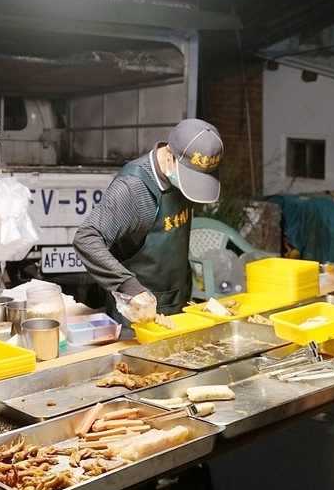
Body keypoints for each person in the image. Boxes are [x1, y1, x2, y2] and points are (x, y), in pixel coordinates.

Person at [73, 118, 223, 333]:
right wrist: (128, 287)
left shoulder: (182, 178)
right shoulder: (133, 188)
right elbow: (86, 238)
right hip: (136, 315)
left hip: (178, 300)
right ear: (170, 154)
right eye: (189, 176)